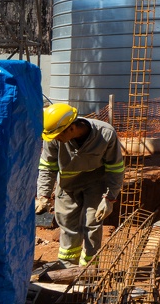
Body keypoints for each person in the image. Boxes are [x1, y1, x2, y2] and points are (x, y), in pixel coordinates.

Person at [35, 103, 125, 265]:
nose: (55, 138)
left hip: (96, 184)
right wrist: (43, 195)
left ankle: (90, 267)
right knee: (67, 223)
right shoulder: (53, 138)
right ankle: (67, 265)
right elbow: (47, 166)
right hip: (68, 185)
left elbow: (115, 168)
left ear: (71, 128)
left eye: (58, 135)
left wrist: (110, 198)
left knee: (93, 223)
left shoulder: (105, 134)